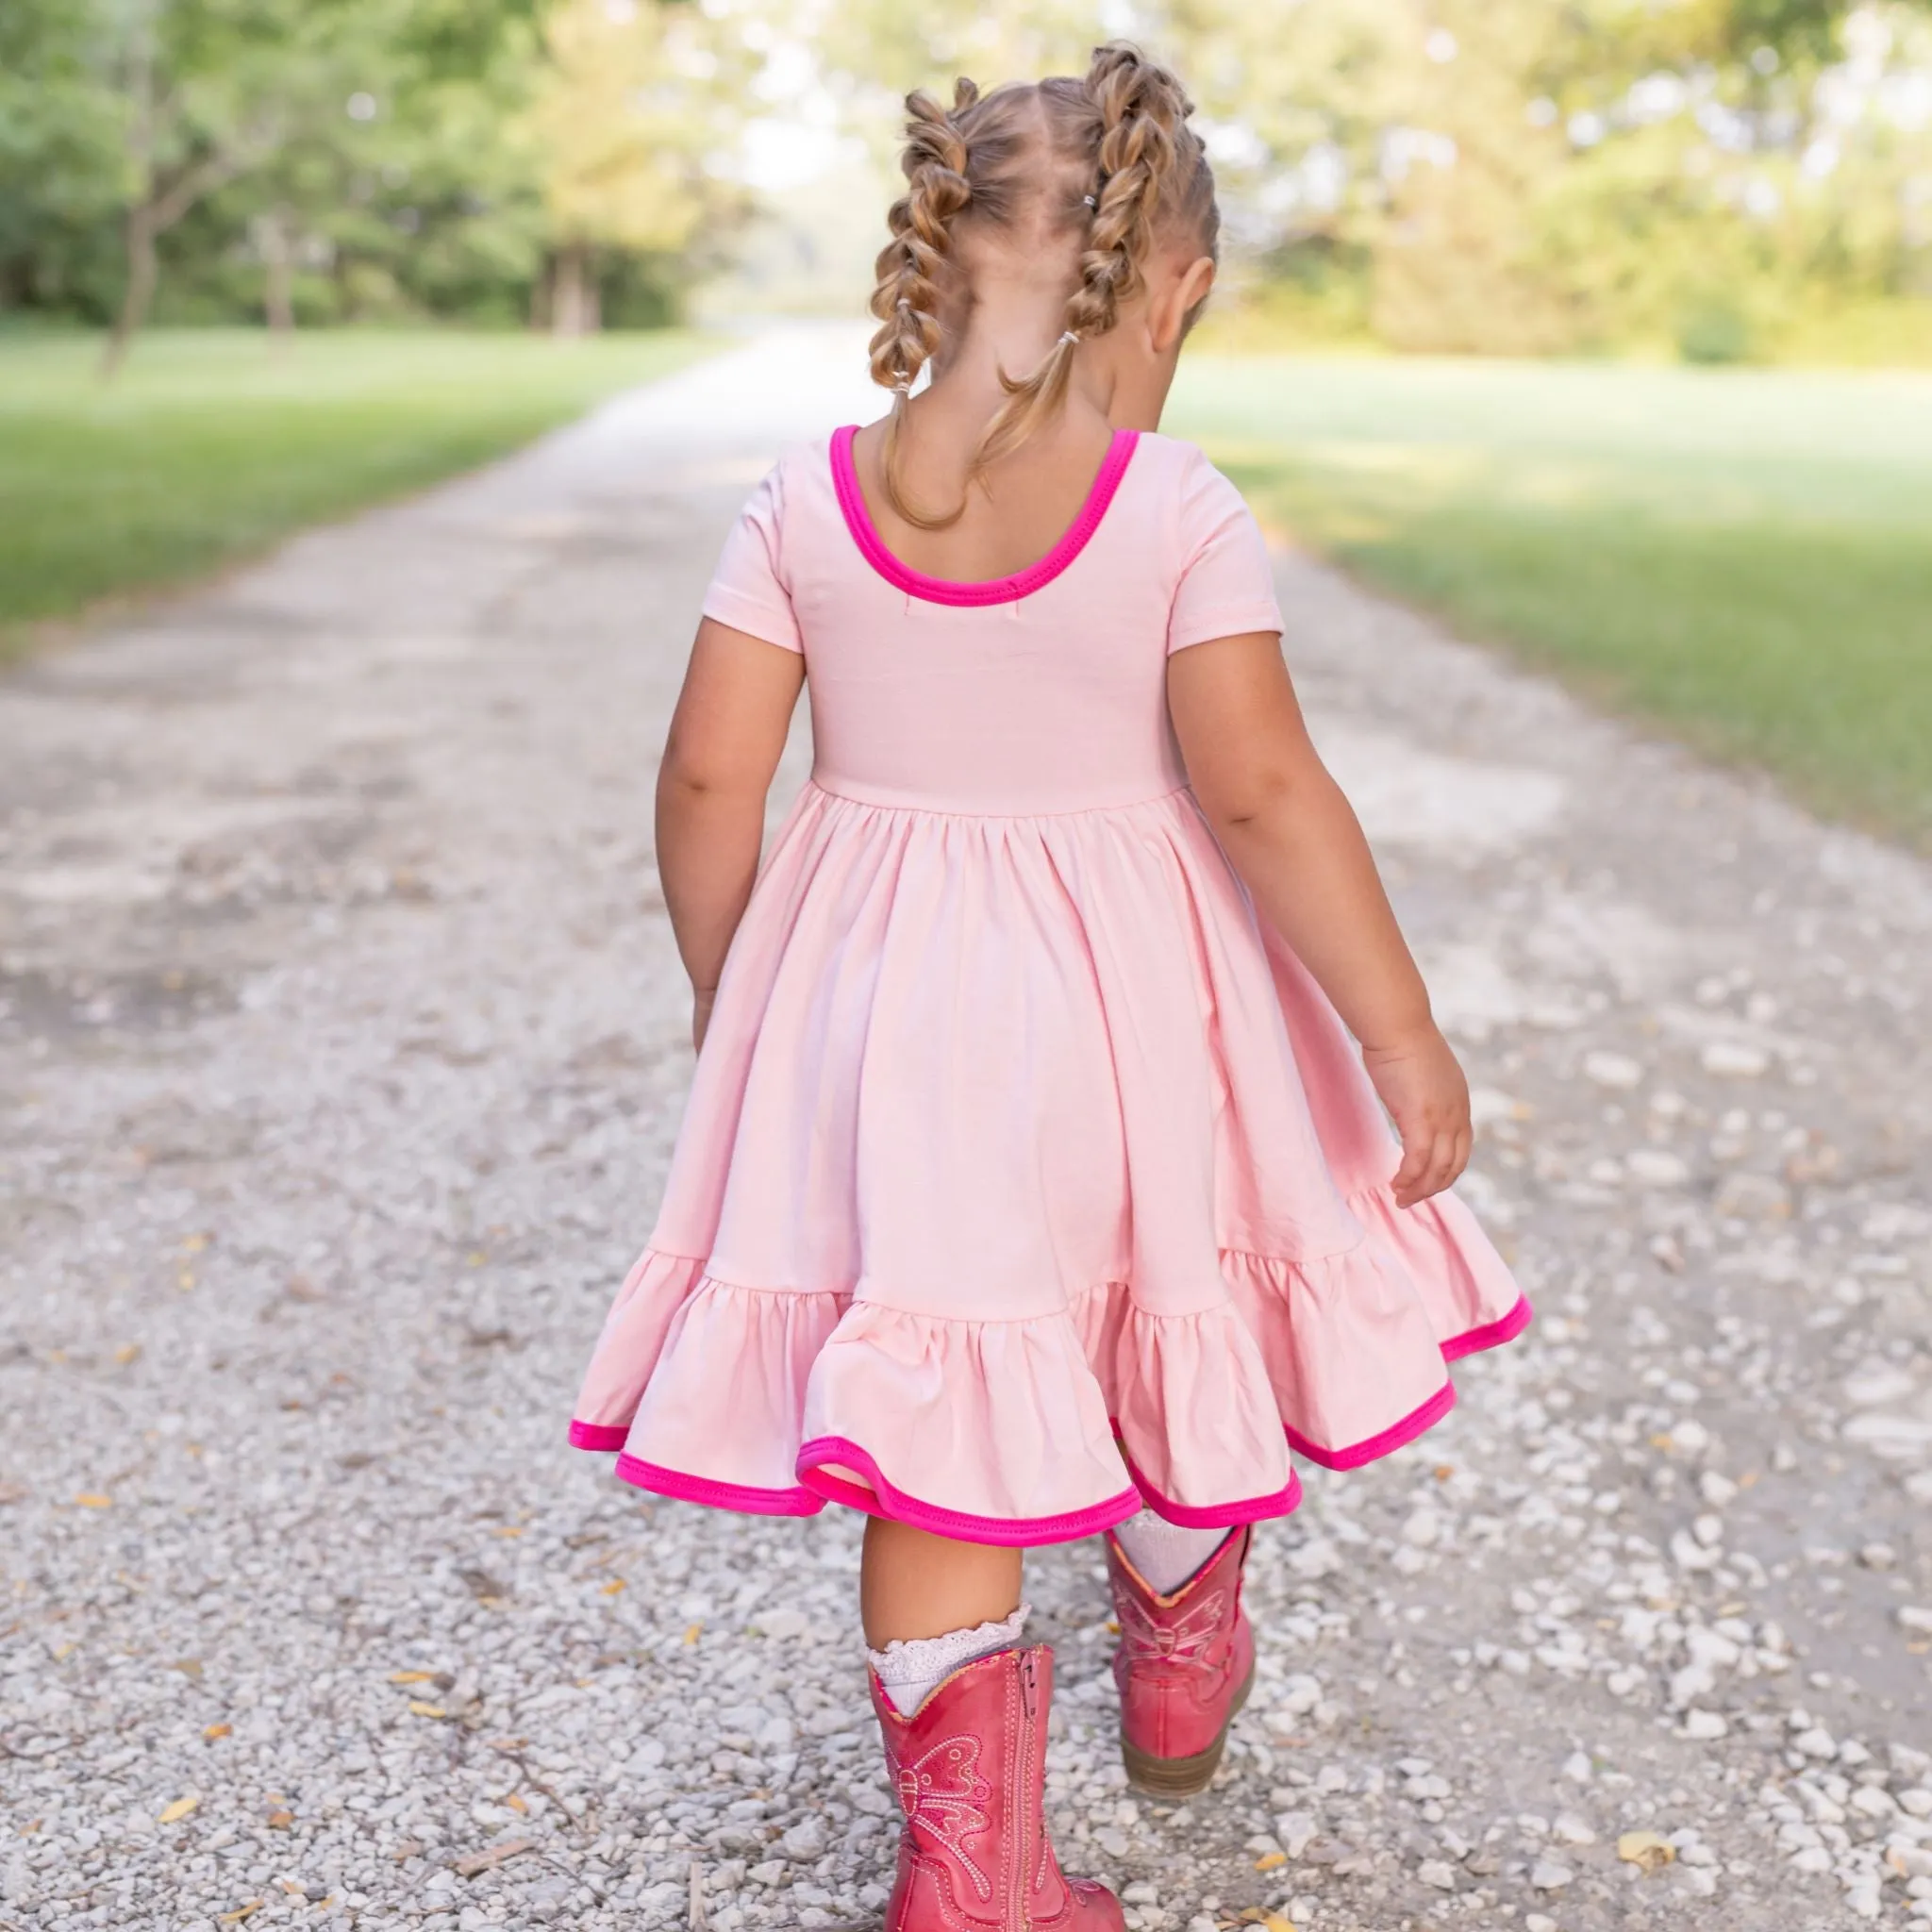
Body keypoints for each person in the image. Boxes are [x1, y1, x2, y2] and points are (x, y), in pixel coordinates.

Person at [569, 41, 1529, 1931]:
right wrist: (1395, 1029)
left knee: (942, 1414)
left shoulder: (806, 492)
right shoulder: (1173, 504)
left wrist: (734, 998)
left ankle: (973, 1876)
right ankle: (1175, 1647)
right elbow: (1257, 786)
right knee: (1166, 1299)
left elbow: (701, 778)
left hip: (889, 1020)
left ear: (924, 265)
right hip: (1134, 1011)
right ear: (1169, 292)